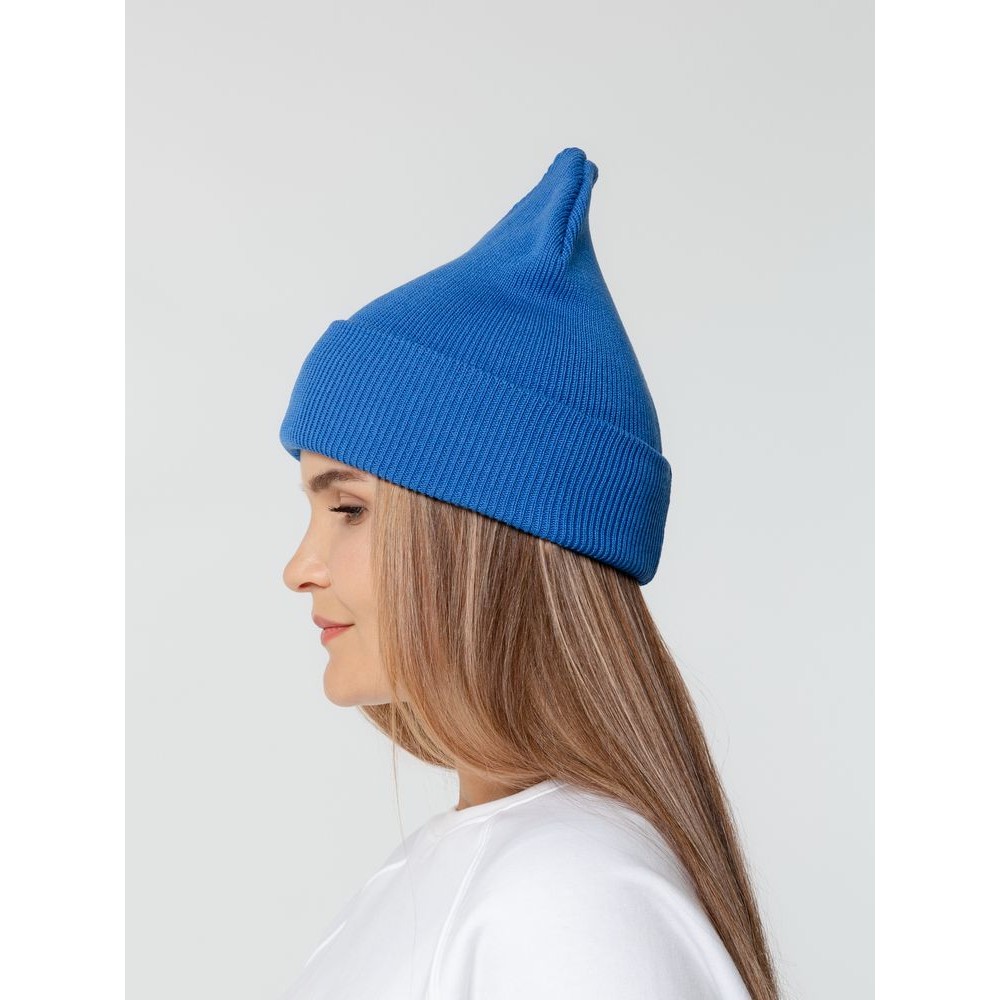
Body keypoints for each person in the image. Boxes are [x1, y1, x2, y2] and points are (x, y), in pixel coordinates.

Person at [277, 147, 781, 999]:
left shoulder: (569, 901)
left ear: (481, 538)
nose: (300, 568)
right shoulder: (471, 873)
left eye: (349, 509)